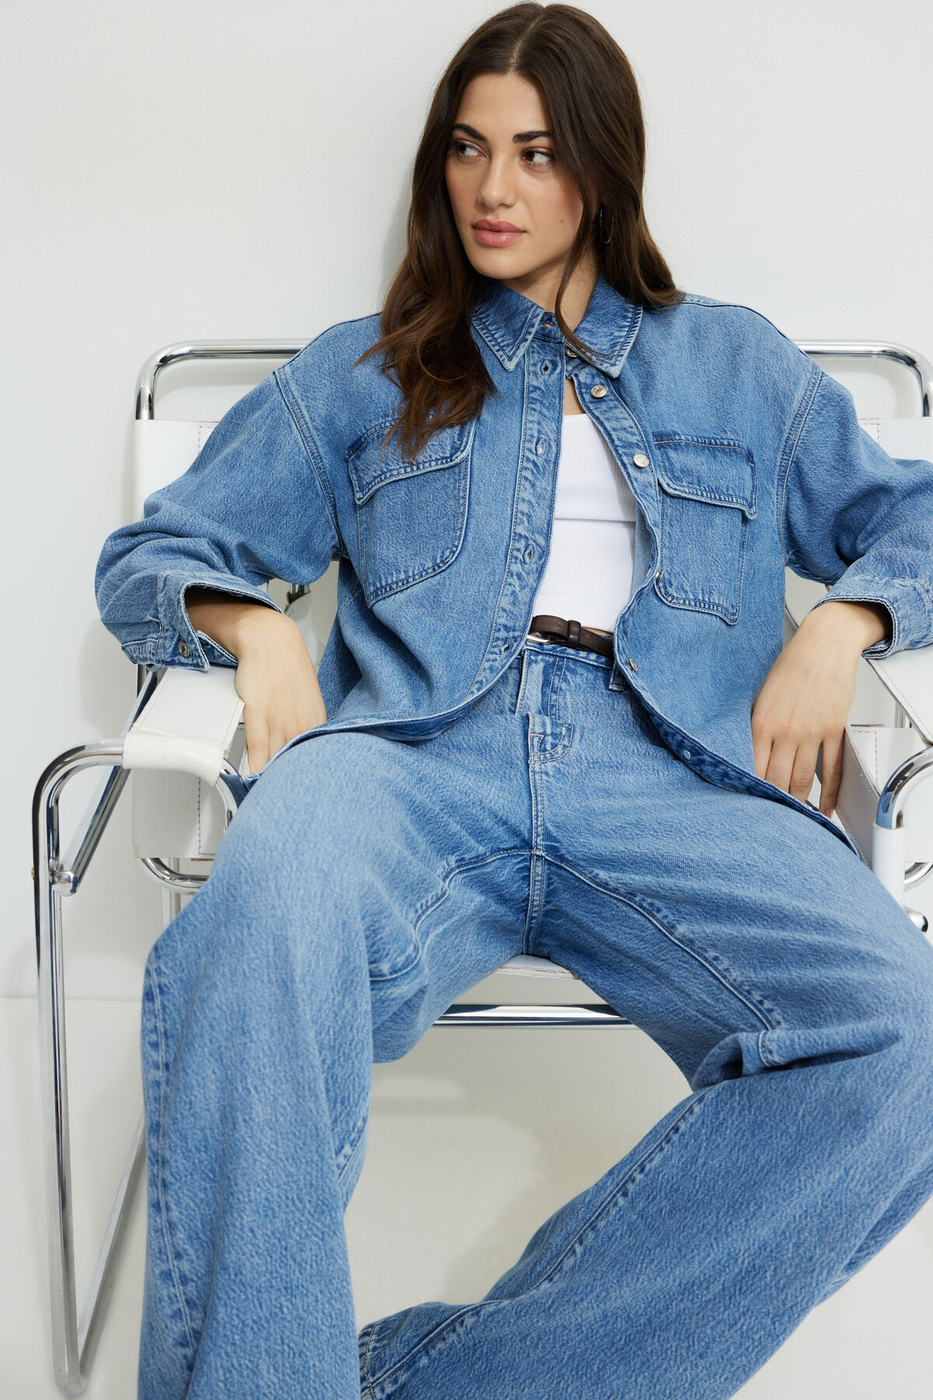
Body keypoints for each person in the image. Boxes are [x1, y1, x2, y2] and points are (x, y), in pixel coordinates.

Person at [95, 4, 933, 1397]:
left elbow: (919, 521)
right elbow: (155, 554)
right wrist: (255, 627)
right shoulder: (362, 372)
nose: (493, 188)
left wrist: (846, 623)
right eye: (467, 149)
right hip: (408, 762)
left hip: (675, 774)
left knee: (905, 1036)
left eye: (536, 153)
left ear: (601, 167)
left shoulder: (738, 367)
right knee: (255, 931)